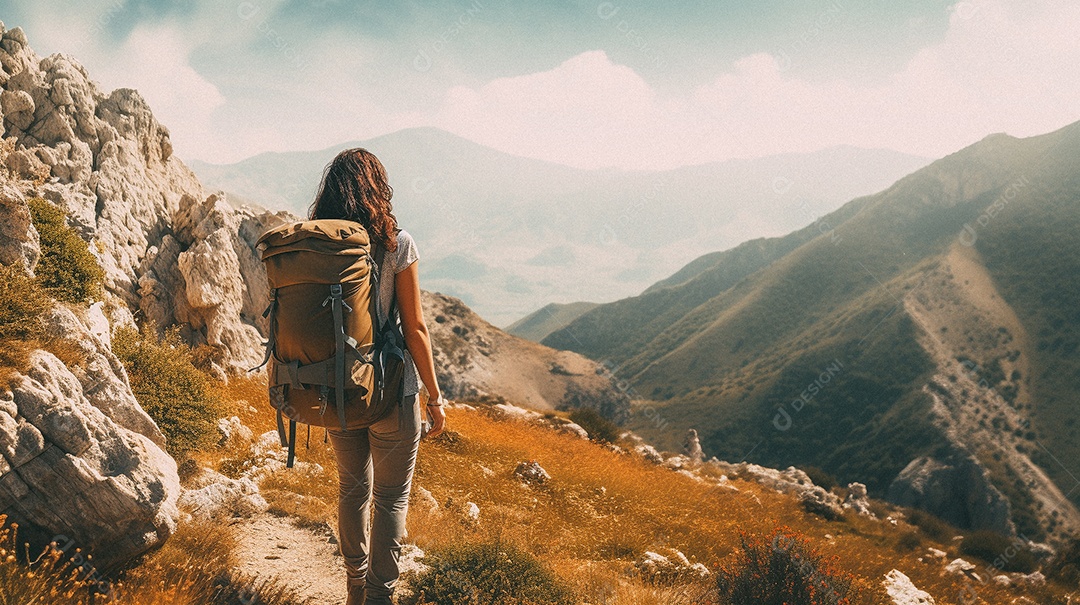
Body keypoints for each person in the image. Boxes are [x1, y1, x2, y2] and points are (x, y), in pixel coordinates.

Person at [308, 148, 446, 605]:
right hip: (392, 392)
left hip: (339, 391)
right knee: (390, 499)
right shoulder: (397, 243)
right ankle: (380, 597)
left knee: (352, 490)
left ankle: (354, 589)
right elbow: (416, 327)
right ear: (378, 188)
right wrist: (435, 397)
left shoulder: (319, 246)